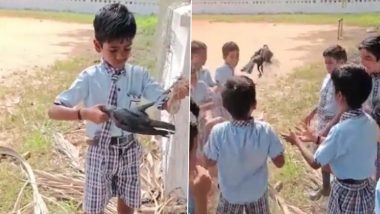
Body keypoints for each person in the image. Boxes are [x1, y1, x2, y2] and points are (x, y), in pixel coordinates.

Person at [47, 3, 188, 214]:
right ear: (97, 45)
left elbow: (165, 104)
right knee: (94, 208)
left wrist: (176, 96)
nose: (121, 56)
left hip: (129, 150)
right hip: (99, 153)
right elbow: (53, 110)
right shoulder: (89, 78)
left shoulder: (138, 76)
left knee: (129, 204)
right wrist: (83, 113)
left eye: (127, 48)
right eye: (113, 50)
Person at [283, 64, 376, 214]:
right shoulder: (369, 122)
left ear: (339, 96)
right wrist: (316, 138)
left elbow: (315, 162)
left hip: (346, 193)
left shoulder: (340, 130)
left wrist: (297, 141)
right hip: (366, 190)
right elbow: (348, 145)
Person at [203, 75, 285, 213]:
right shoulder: (265, 130)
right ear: (254, 104)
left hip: (230, 196)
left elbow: (209, 162)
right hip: (257, 194)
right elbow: (280, 162)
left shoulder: (218, 132)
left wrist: (207, 136)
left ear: (225, 105)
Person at [303, 45, 347, 200]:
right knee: (323, 157)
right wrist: (313, 112)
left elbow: (342, 109)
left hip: (334, 125)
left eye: (330, 62)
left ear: (341, 62)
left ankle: (333, 188)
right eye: (326, 63)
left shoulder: (343, 82)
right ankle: (326, 187)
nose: (327, 66)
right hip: (322, 122)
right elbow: (323, 99)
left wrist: (328, 128)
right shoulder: (327, 77)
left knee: (329, 158)